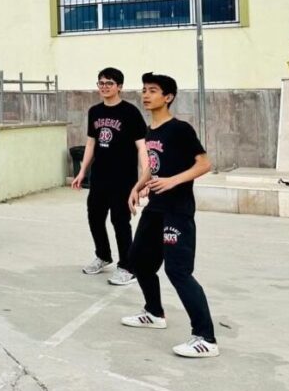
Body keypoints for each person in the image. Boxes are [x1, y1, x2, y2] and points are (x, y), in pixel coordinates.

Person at [121, 72, 219, 358]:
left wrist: (173, 181)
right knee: (138, 260)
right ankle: (154, 313)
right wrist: (137, 186)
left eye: (153, 90)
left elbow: (204, 164)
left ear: (168, 97)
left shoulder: (180, 129)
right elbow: (154, 165)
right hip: (156, 207)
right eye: (144, 90)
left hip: (177, 210)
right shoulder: (152, 131)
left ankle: (206, 338)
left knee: (178, 271)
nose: (146, 94)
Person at [71, 67, 148, 285]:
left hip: (123, 178)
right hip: (100, 177)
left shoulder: (130, 112)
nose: (104, 87)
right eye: (101, 83)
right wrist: (82, 171)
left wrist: (144, 178)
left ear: (120, 86)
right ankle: (103, 255)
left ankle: (127, 266)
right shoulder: (94, 111)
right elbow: (91, 143)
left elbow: (142, 147)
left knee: (120, 221)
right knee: (94, 216)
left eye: (109, 83)